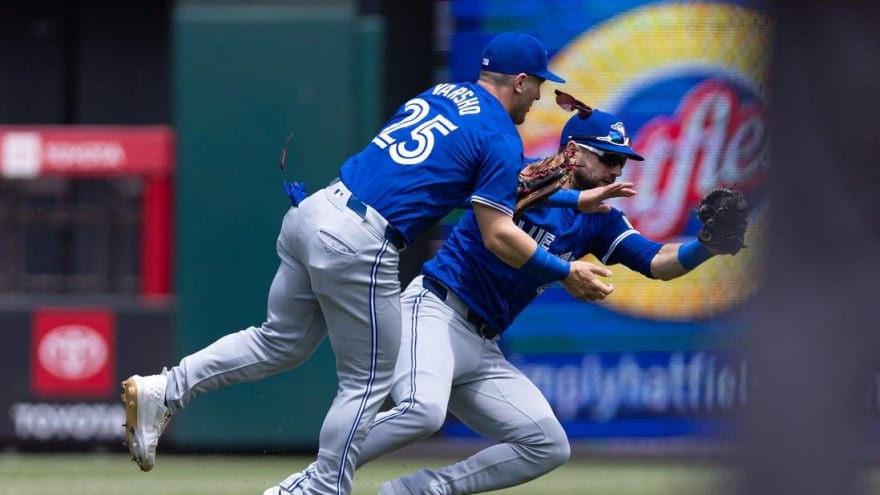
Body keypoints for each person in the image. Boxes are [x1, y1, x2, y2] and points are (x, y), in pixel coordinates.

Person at [120, 32, 618, 495]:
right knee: (366, 384)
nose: (537, 98)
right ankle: (315, 490)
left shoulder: (439, 94)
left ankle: (166, 388)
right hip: (361, 240)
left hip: (317, 210)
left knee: (279, 341)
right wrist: (564, 271)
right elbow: (498, 233)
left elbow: (435, 183)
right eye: (537, 87)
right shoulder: (501, 136)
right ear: (520, 81)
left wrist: (574, 203)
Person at [340, 108, 739, 495]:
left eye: (623, 162)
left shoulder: (599, 216)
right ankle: (311, 482)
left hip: (482, 343)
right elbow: (494, 229)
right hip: (435, 311)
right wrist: (564, 272)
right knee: (421, 411)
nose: (617, 171)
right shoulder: (517, 176)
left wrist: (706, 246)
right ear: (572, 151)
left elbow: (656, 261)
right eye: (609, 158)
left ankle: (417, 491)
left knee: (547, 444)